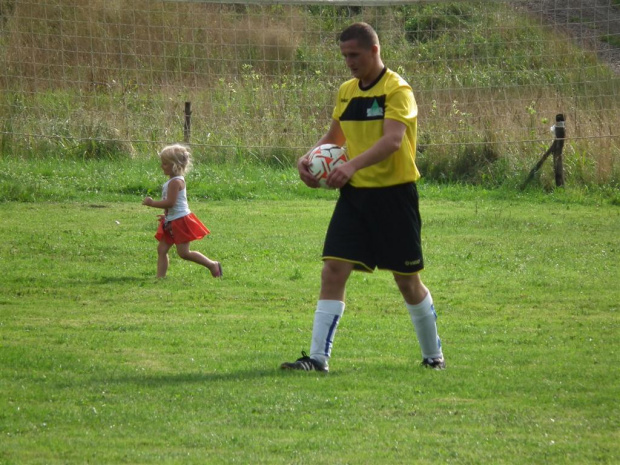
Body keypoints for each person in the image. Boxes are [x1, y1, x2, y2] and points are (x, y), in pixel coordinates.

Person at [280, 22, 444, 372]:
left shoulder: (397, 90)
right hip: (355, 199)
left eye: (354, 54)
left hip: (395, 197)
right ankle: (317, 360)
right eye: (344, 56)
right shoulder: (346, 91)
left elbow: (393, 141)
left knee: (407, 281)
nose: (349, 62)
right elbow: (333, 136)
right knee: (333, 270)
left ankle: (434, 357)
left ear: (374, 50)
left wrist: (351, 165)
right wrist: (307, 159)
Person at [142, 144, 222, 279]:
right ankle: (160, 277)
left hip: (180, 221)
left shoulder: (175, 182)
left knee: (184, 253)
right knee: (162, 249)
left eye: (165, 164)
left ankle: (213, 265)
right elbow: (172, 204)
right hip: (172, 220)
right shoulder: (172, 181)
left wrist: (152, 203)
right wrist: (167, 215)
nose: (162, 166)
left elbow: (170, 202)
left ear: (175, 165)